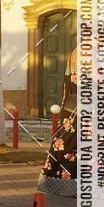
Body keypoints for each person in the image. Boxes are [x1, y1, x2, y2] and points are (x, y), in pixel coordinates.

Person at [37, 48, 78, 197]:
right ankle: (58, 177)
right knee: (67, 144)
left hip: (74, 107)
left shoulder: (78, 51)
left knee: (74, 145)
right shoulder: (84, 51)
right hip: (78, 109)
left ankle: (73, 183)